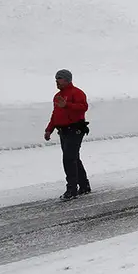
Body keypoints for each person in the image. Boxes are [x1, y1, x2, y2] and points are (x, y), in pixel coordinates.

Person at [44, 69, 91, 200]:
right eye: (56, 79)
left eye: (59, 78)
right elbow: (55, 114)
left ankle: (71, 189)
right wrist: (49, 129)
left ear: (67, 79)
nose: (56, 81)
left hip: (75, 130)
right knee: (73, 158)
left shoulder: (77, 93)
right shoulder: (57, 96)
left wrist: (67, 105)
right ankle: (84, 185)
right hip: (63, 131)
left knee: (69, 159)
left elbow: (83, 107)